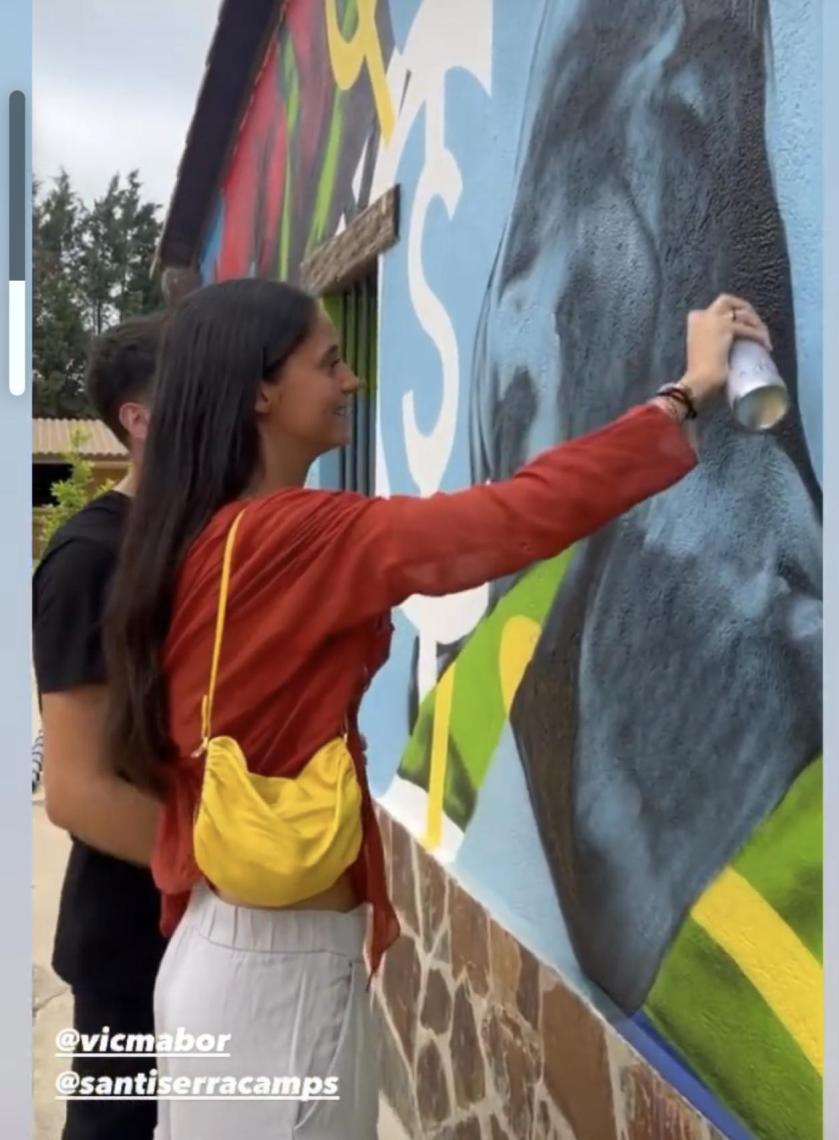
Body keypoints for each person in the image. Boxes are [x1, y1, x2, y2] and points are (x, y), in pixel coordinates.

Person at [102, 279, 769, 1140]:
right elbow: (515, 516)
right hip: (276, 980)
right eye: (329, 362)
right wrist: (683, 394)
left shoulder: (202, 532)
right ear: (260, 391)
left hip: (237, 951)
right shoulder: (297, 535)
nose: (350, 382)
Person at [33, 314, 167, 1140]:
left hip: (219, 936)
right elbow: (76, 793)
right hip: (129, 937)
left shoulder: (205, 540)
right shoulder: (89, 560)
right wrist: (234, 865)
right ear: (138, 419)